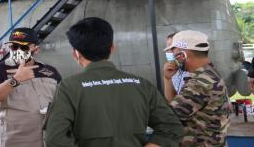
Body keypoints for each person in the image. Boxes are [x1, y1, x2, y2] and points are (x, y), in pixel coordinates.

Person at [44, 17, 184, 147]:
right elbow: (172, 127)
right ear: (112, 48)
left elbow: (55, 139)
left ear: (76, 53)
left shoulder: (69, 87)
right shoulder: (142, 84)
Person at [0, 27, 61, 147]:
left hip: (49, 138)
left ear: (36, 49)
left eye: (24, 47)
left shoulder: (50, 71)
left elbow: (62, 100)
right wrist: (15, 80)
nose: (18, 50)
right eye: (14, 46)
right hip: (16, 140)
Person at [163, 30, 230, 146]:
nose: (174, 60)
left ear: (183, 55)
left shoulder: (200, 82)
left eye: (174, 55)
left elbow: (168, 116)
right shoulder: (209, 73)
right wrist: (167, 79)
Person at [164, 32, 190, 96]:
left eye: (173, 48)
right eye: (168, 49)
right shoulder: (172, 71)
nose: (170, 52)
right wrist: (167, 78)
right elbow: (170, 102)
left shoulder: (192, 71)